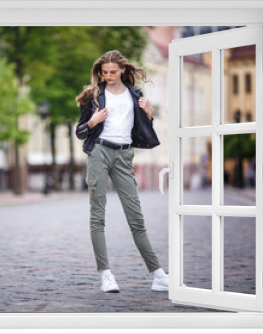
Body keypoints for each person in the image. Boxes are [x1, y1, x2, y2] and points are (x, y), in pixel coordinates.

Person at [74, 50, 169, 293]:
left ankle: (158, 275)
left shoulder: (135, 94)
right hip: (99, 152)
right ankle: (106, 275)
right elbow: (80, 131)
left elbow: (143, 127)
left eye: (113, 72)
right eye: (104, 72)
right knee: (98, 216)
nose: (108, 76)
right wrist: (93, 122)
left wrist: (149, 113)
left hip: (125, 155)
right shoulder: (93, 96)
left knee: (136, 218)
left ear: (123, 70)